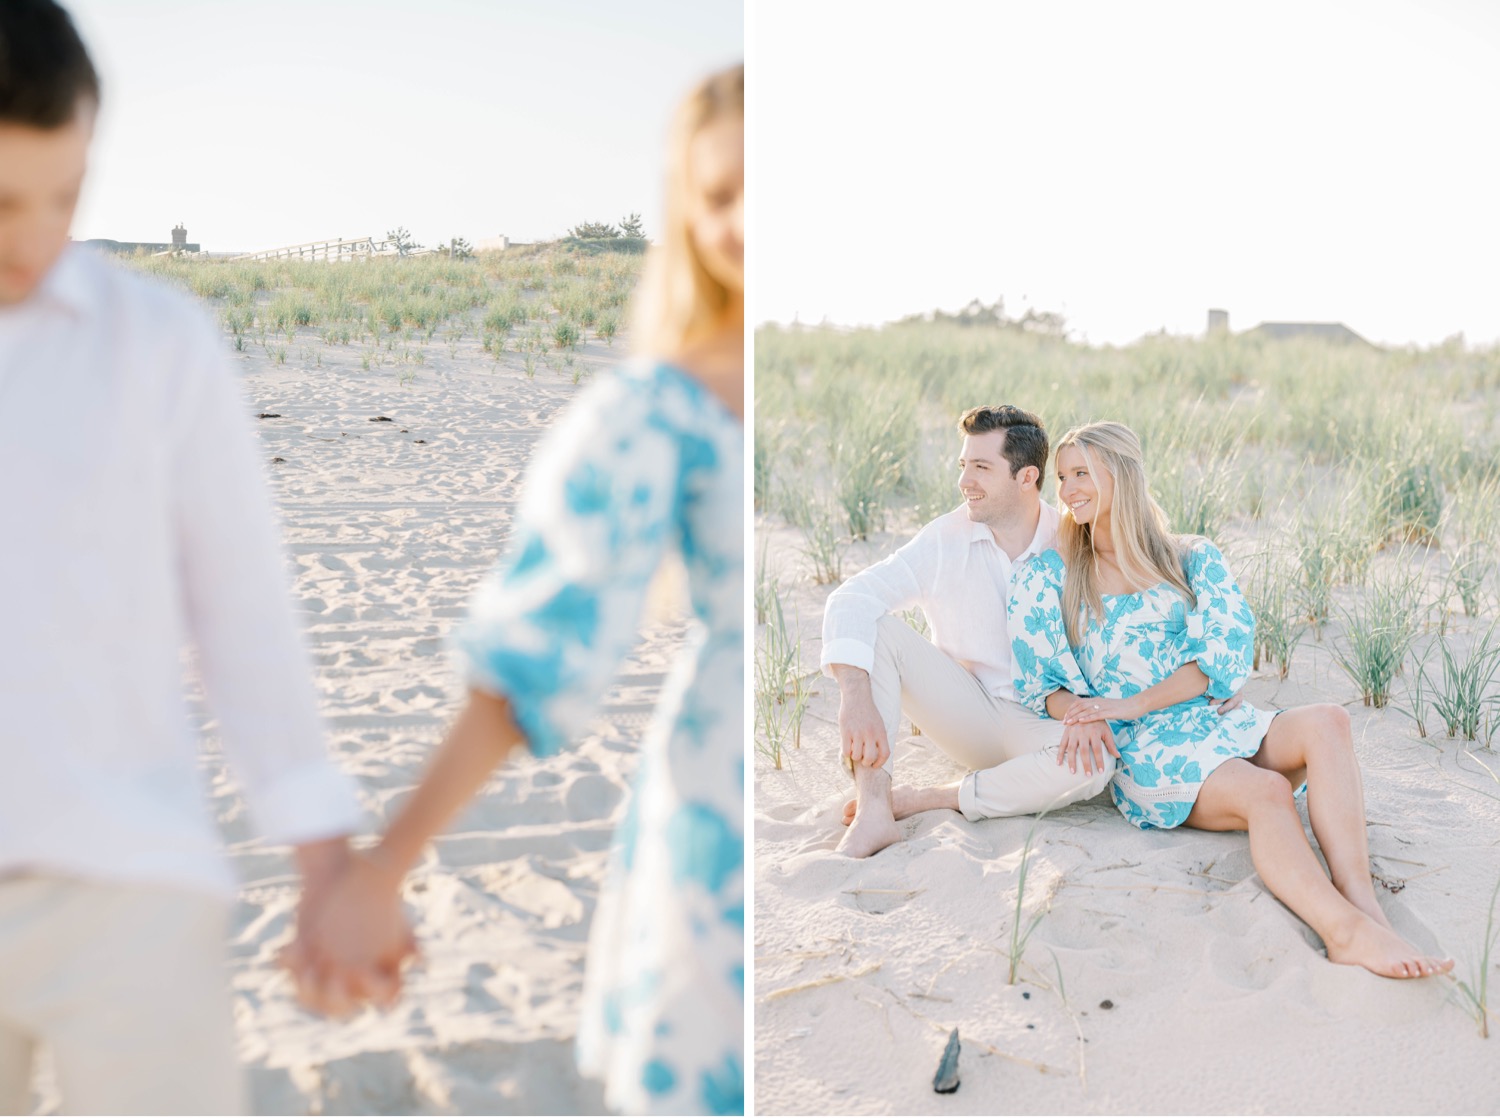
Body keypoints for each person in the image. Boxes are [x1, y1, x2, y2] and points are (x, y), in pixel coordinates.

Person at [284, 64, 745, 1116]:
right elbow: (537, 648)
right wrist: (384, 866)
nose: (749, 219)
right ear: (686, 212)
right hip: (722, 815)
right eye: (720, 194)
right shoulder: (656, 406)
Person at [0, 3, 371, 1113]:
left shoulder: (159, 343)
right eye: (5, 202)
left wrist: (325, 865)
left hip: (131, 884)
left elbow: (244, 617)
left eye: (66, 198)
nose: (35, 240)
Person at [1011, 420, 1454, 979]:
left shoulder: (1188, 557)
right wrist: (1089, 712)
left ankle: (1361, 900)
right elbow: (1038, 683)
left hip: (1211, 722)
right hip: (1145, 750)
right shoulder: (1052, 575)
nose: (1069, 489)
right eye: (1062, 477)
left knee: (1329, 721)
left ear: (1122, 474)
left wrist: (1140, 699)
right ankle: (1342, 935)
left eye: (1082, 473)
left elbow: (1218, 658)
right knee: (1268, 792)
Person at [828, 405, 1125, 859]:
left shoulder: (1071, 539)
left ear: (1026, 478)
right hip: (967, 708)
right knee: (882, 633)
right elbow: (852, 597)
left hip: (1046, 718)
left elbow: (1147, 598)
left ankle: (932, 797)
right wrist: (853, 691)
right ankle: (874, 811)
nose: (965, 481)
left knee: (1097, 762)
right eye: (963, 465)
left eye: (981, 468)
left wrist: (1211, 682)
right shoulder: (945, 538)